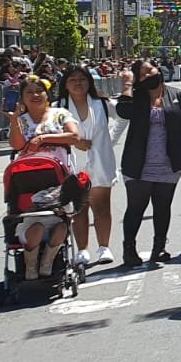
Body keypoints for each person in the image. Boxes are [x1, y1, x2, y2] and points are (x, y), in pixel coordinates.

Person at [116, 59, 181, 269]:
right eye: (141, 75)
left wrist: (180, 143)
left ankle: (159, 247)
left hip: (168, 164)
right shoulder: (136, 98)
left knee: (162, 207)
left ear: (158, 69)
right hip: (139, 164)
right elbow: (123, 111)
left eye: (149, 71)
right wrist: (127, 85)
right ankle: (129, 249)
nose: (147, 76)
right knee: (136, 207)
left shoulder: (177, 96)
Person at [8, 76, 79, 277]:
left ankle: (48, 262)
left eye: (39, 91)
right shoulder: (21, 119)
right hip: (27, 179)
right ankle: (30, 266)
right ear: (22, 97)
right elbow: (17, 146)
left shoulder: (60, 114)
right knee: (35, 224)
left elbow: (74, 137)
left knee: (60, 222)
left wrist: (43, 138)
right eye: (29, 92)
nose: (35, 95)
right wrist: (13, 121)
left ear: (47, 94)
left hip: (58, 176)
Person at [60, 64, 119, 266]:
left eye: (82, 79)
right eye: (73, 80)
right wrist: (73, 141)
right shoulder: (58, 107)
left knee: (102, 207)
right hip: (74, 164)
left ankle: (104, 247)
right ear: (65, 85)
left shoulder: (101, 103)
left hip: (101, 162)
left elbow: (123, 117)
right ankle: (82, 250)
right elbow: (49, 133)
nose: (78, 83)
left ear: (89, 82)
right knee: (79, 209)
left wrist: (110, 139)